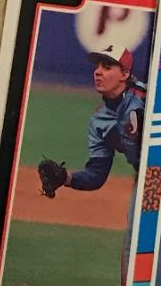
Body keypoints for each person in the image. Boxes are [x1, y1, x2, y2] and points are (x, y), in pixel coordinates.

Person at [37, 40, 146, 196]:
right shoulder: (99, 122)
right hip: (146, 173)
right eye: (97, 67)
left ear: (125, 74)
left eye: (107, 67)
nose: (98, 72)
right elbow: (96, 175)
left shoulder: (147, 96)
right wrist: (66, 178)